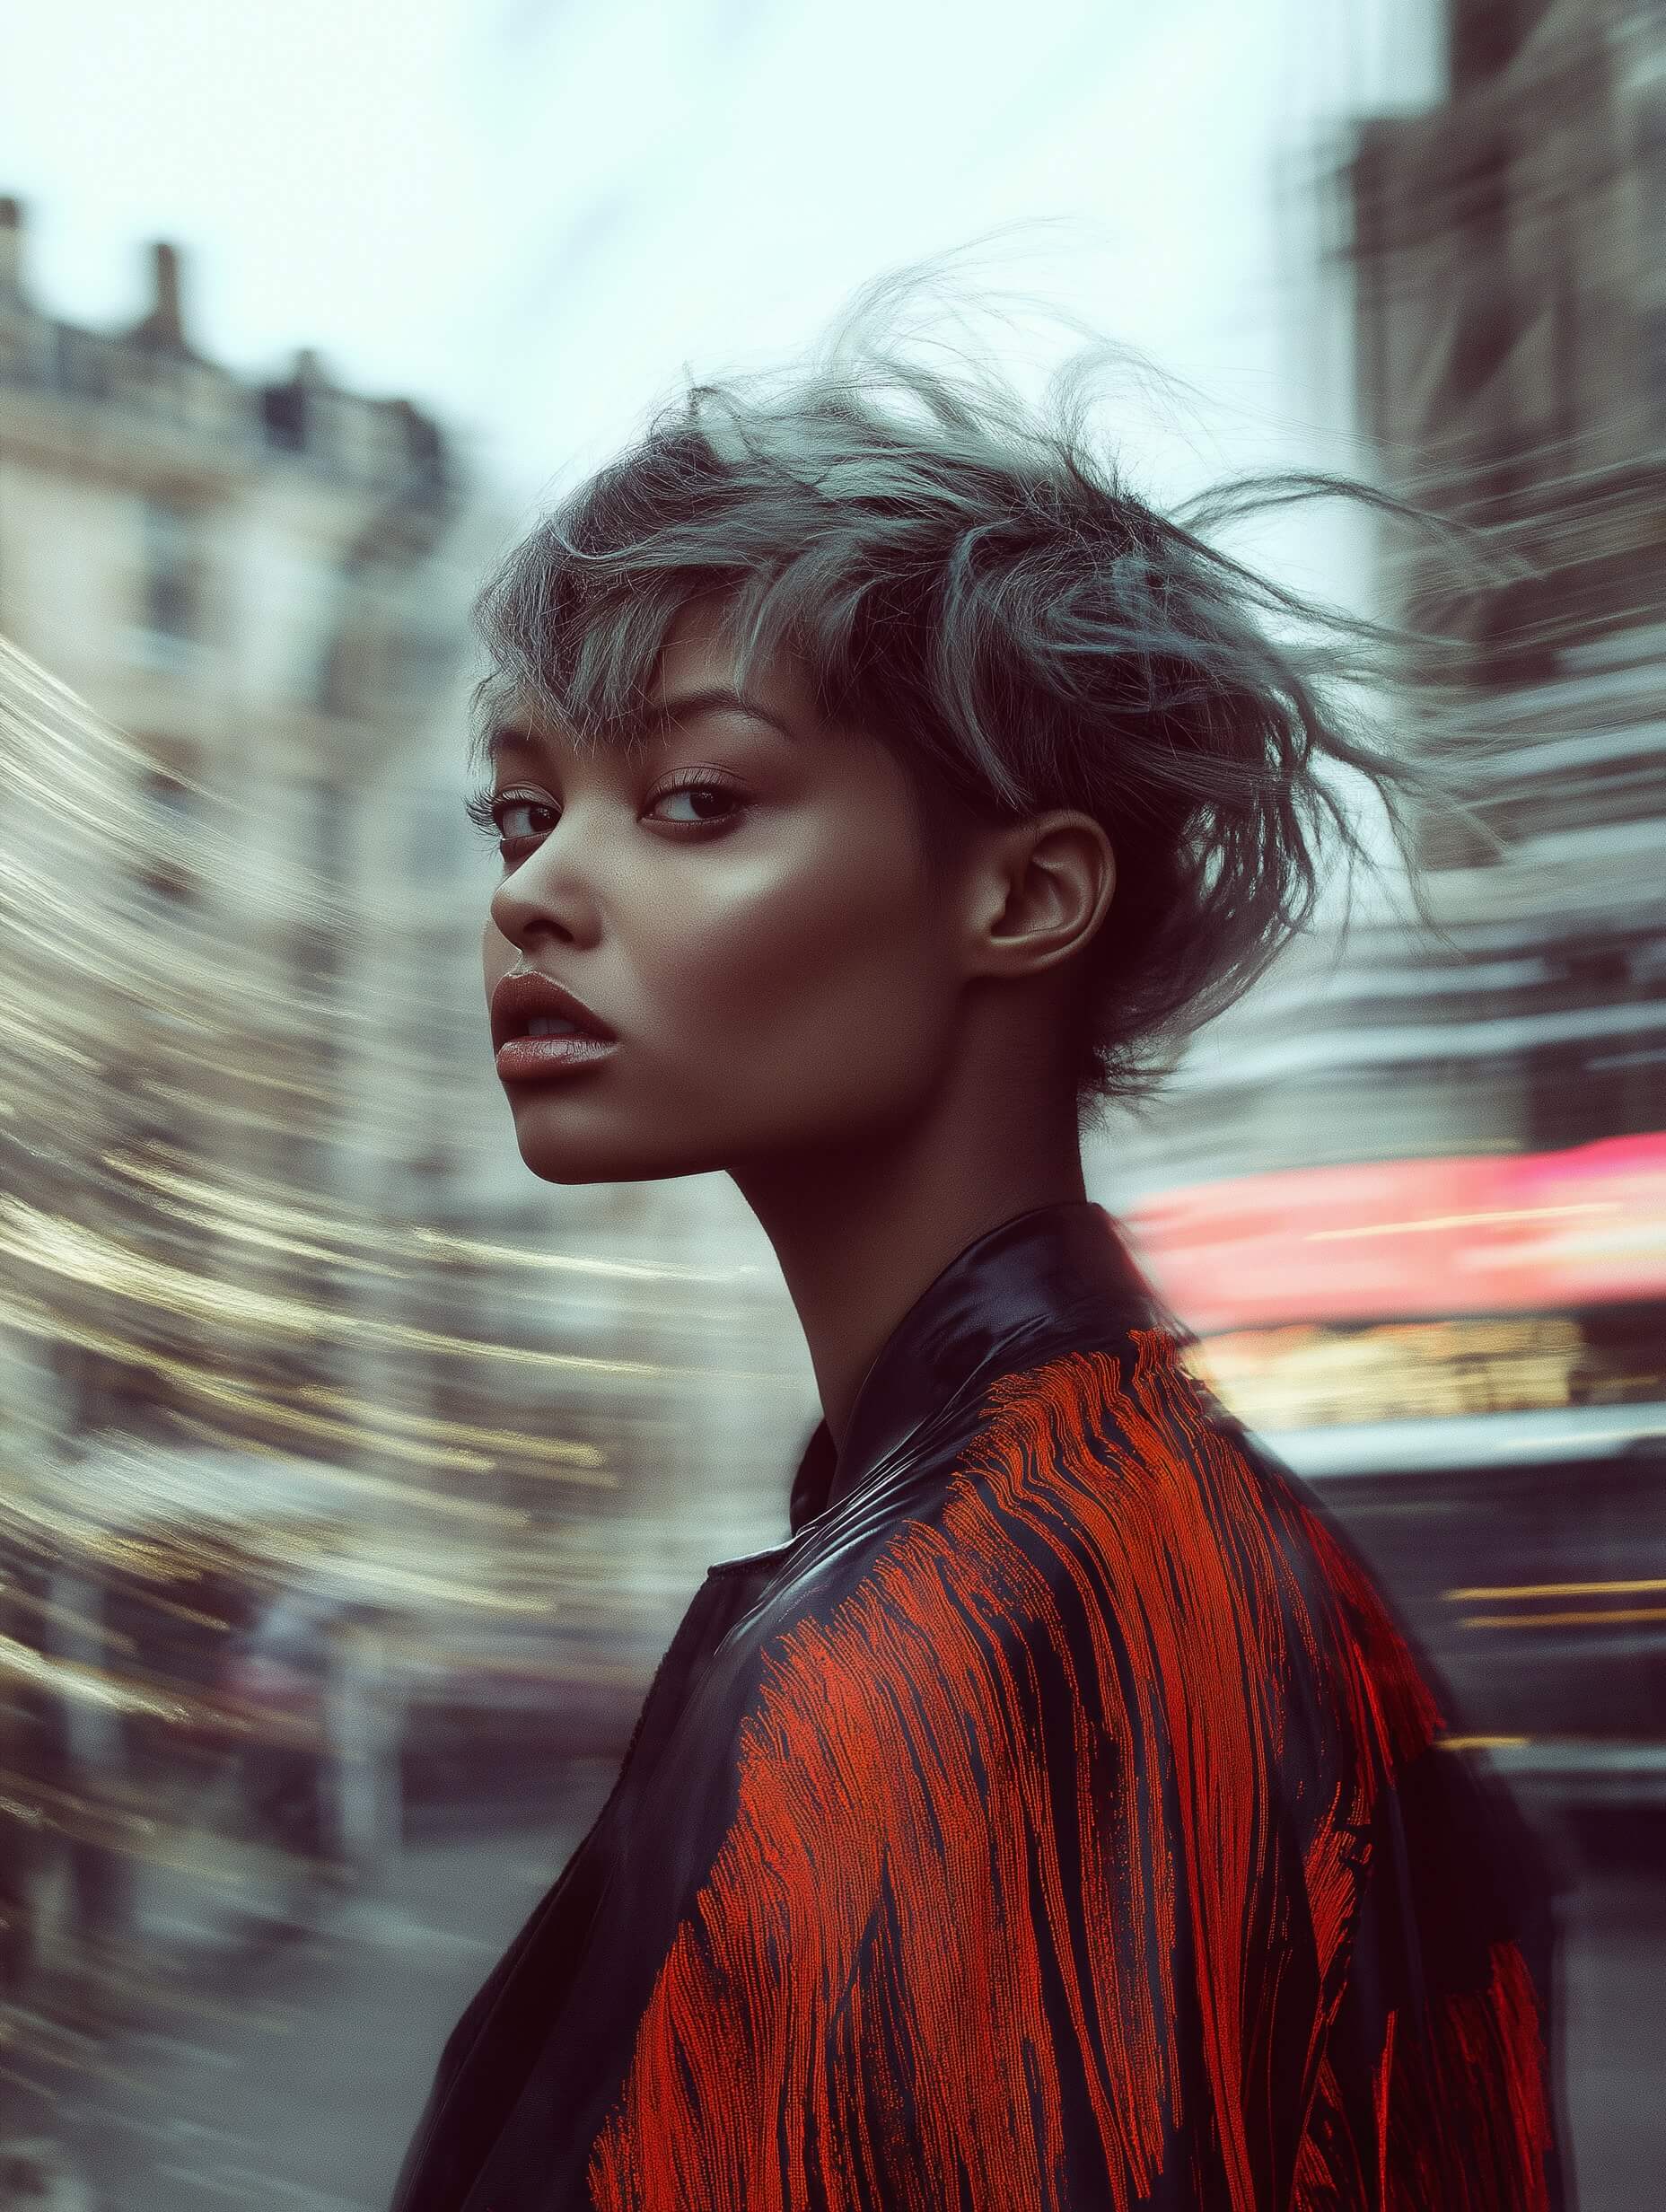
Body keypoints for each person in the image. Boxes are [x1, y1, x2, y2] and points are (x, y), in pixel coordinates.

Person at [390, 301, 1572, 2210]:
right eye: (522, 810)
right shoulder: (1072, 1520)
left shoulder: (990, 1628)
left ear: (1021, 893)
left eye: (694, 798)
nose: (532, 887)